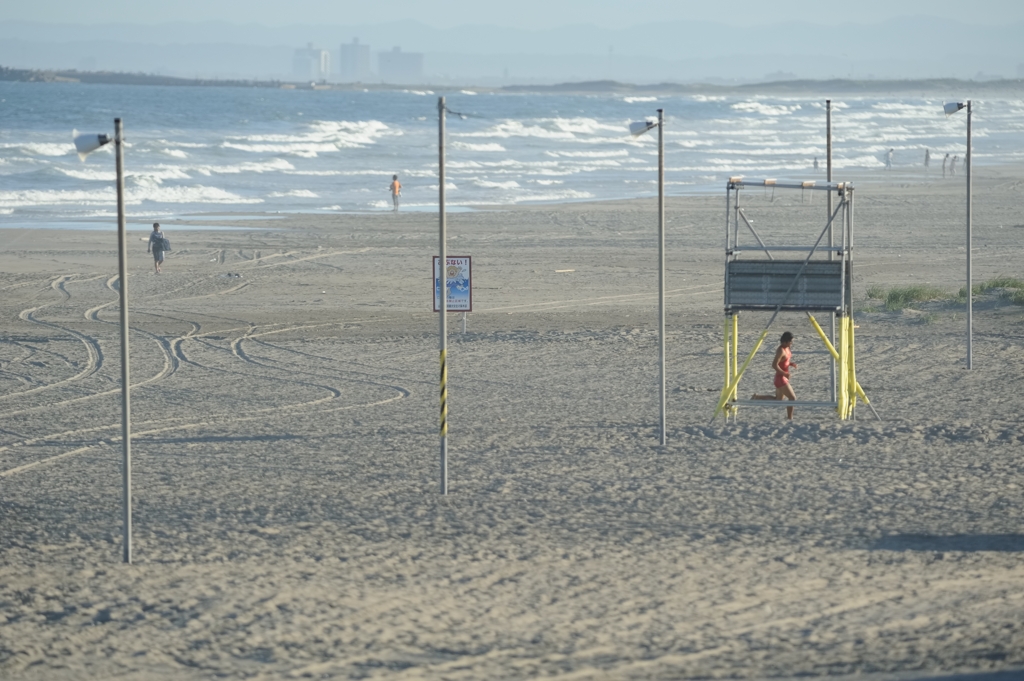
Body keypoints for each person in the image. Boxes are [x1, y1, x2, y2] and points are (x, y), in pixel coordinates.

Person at [750, 331, 798, 420]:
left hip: (782, 378)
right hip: (780, 378)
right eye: (790, 342)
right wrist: (784, 373)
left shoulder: (787, 348)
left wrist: (790, 364)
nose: (791, 343)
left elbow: (784, 361)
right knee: (792, 398)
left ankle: (757, 397)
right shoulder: (781, 350)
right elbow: (774, 365)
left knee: (778, 400)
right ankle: (790, 418)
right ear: (785, 341)